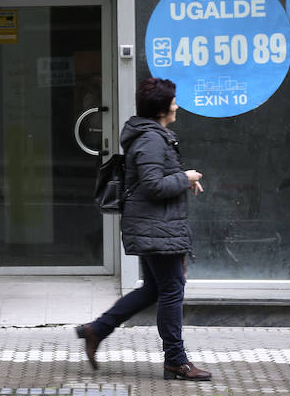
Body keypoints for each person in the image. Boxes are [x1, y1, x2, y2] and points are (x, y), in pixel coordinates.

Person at [75, 77, 210, 381]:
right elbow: (151, 185)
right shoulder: (150, 139)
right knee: (172, 289)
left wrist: (183, 178)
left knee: (154, 289)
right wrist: (184, 178)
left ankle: (96, 330)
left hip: (156, 226)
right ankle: (176, 360)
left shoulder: (154, 135)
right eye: (173, 101)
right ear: (162, 108)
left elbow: (158, 175)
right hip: (156, 228)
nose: (176, 105)